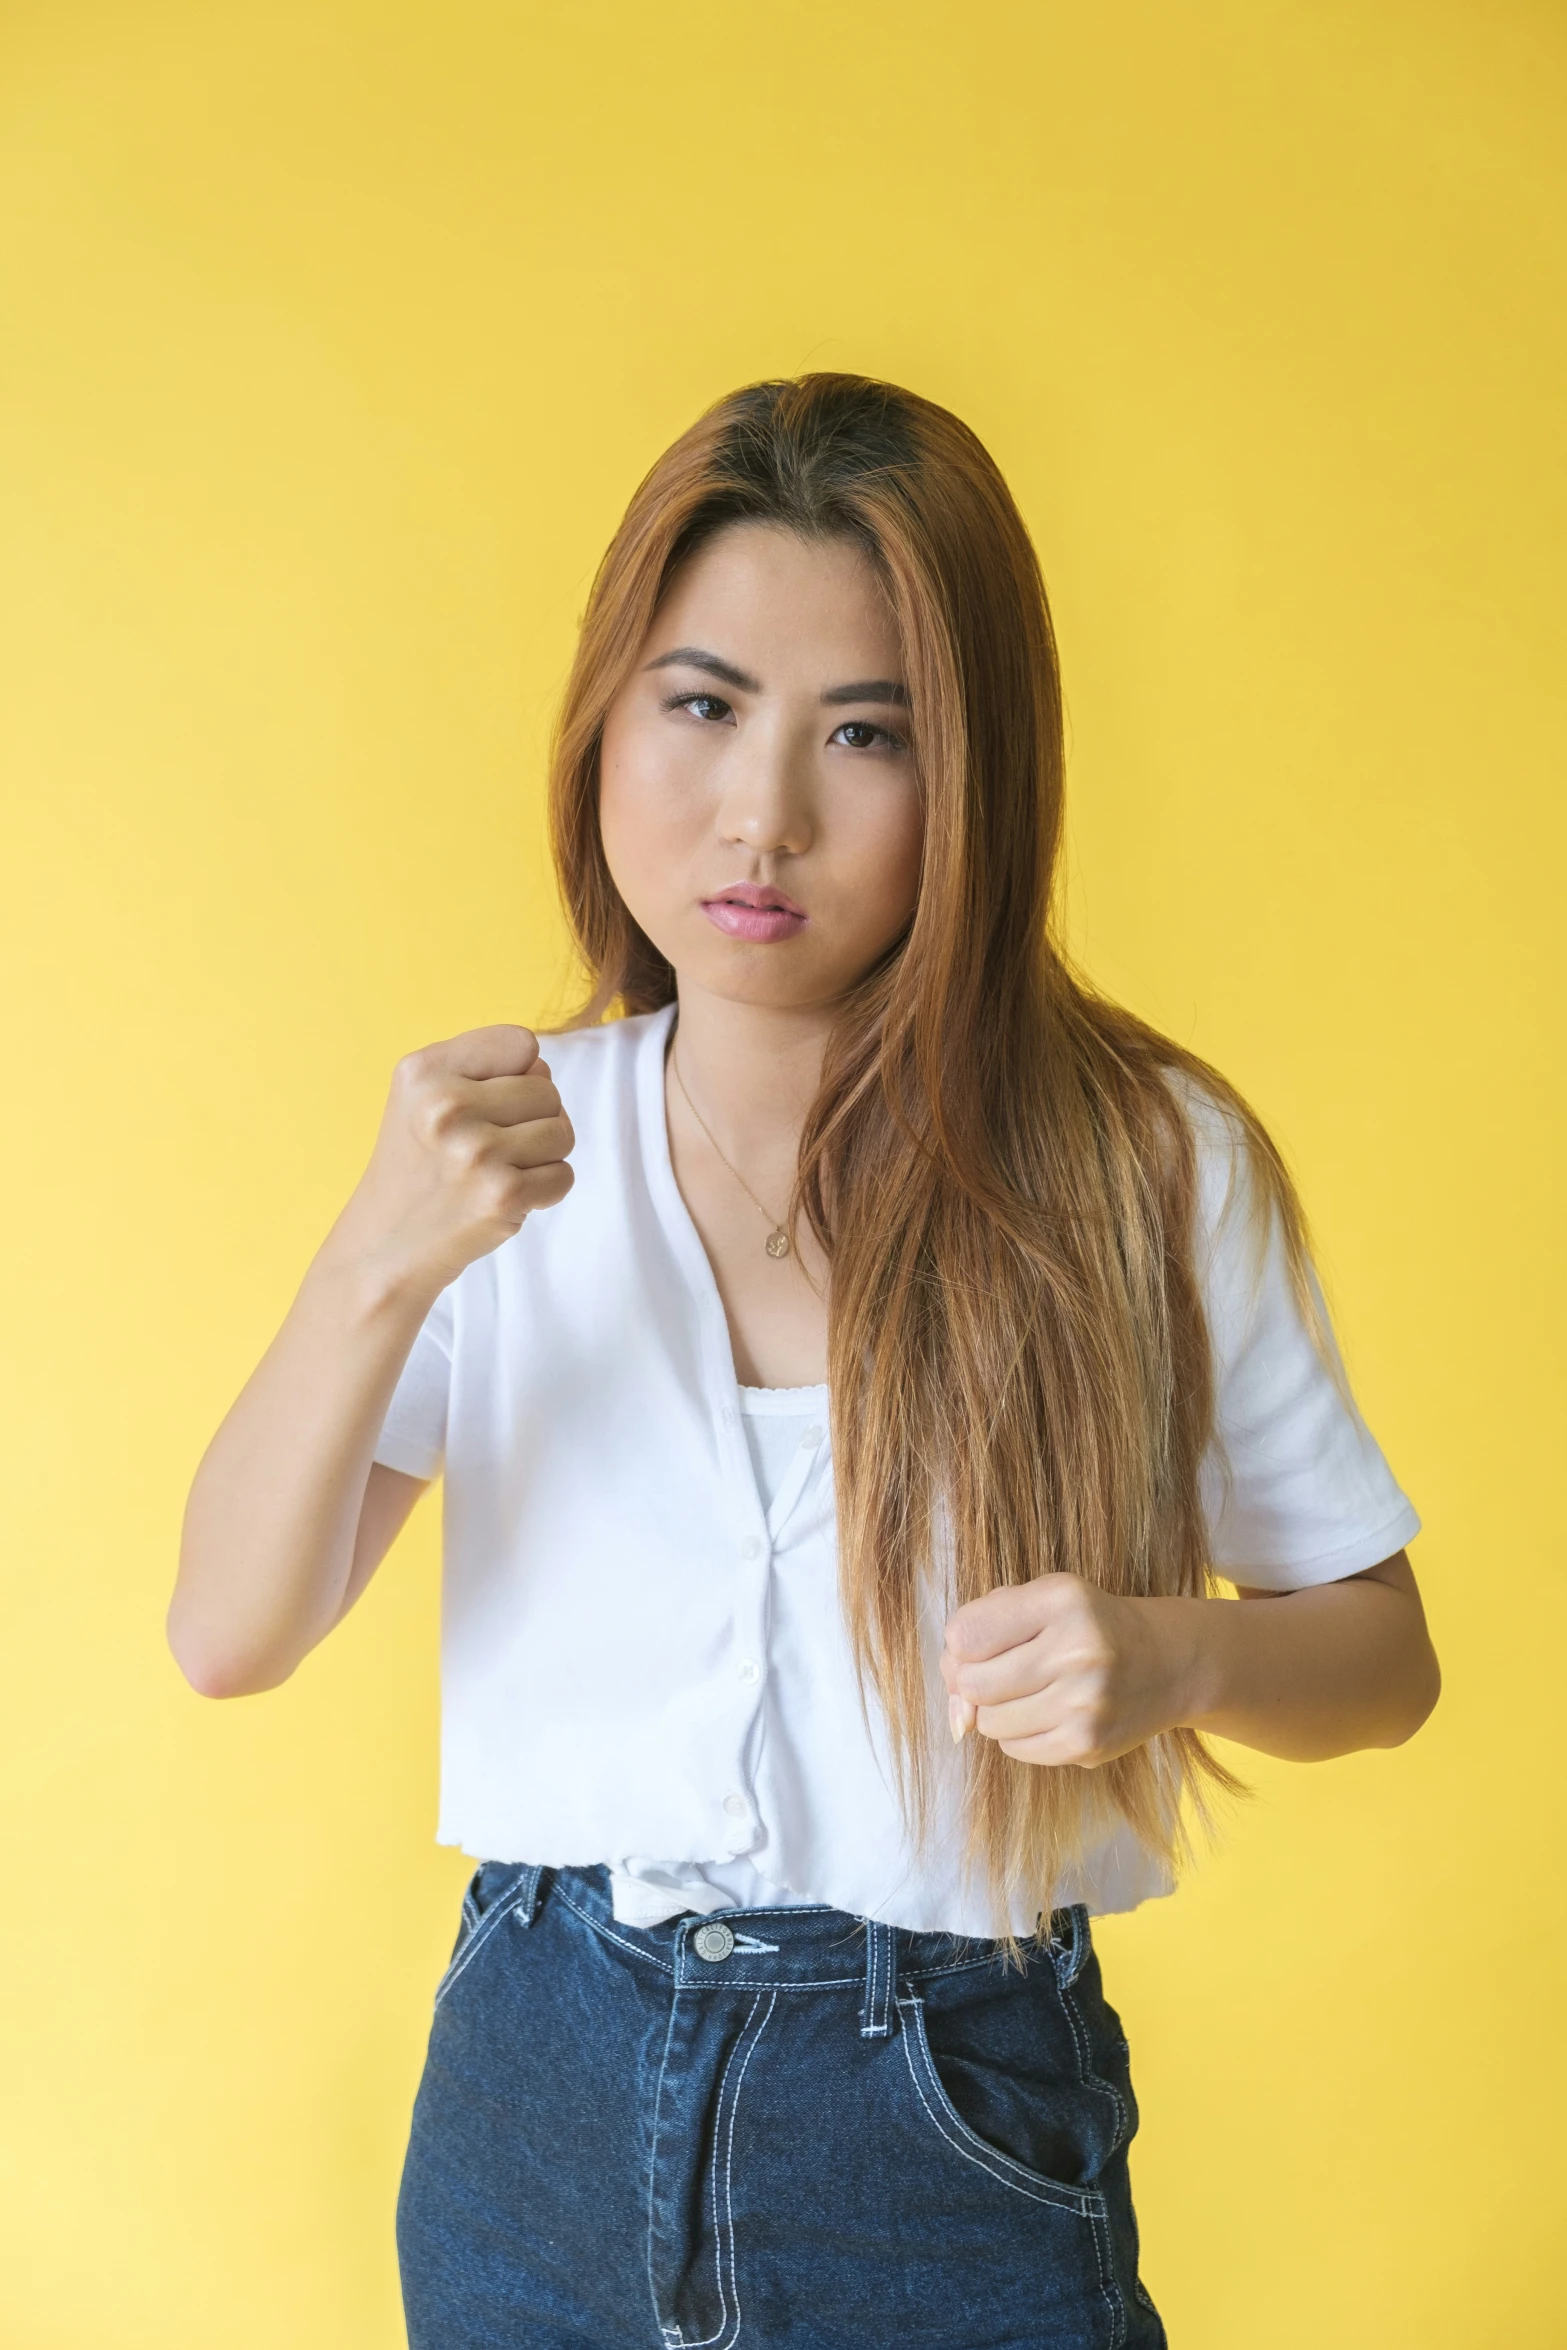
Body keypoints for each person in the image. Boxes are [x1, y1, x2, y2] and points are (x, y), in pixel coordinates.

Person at [169, 374, 1439, 2349]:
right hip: (534, 2081)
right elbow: (225, 1631)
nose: (763, 812)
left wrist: (1170, 1650)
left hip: (948, 2110)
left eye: (866, 733)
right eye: (703, 703)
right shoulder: (496, 1151)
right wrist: (371, 1263)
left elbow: (1383, 1653)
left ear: (979, 776)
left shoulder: (1141, 1162)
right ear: (606, 717)